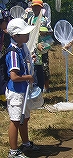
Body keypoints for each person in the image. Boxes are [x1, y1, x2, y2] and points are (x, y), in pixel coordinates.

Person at [5, 18, 39, 158]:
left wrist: (30, 59)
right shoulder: (12, 52)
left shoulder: (21, 48)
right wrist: (28, 78)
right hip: (16, 92)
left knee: (24, 119)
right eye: (24, 33)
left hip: (23, 91)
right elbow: (14, 76)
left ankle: (25, 143)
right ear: (15, 36)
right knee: (15, 120)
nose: (27, 35)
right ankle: (13, 151)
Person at [25, 0, 53, 92]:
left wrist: (44, 33)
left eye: (38, 7)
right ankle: (34, 85)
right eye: (34, 7)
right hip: (32, 45)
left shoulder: (44, 19)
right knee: (34, 65)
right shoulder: (30, 19)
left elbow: (47, 31)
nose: (36, 9)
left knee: (44, 66)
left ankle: (45, 86)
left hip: (43, 45)